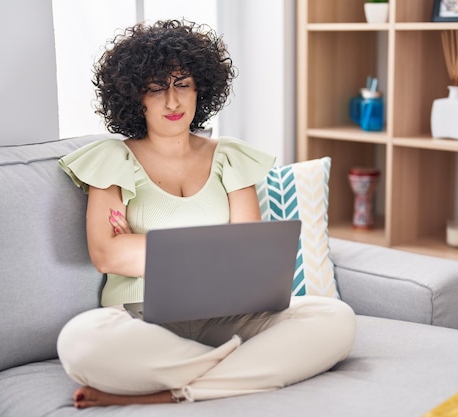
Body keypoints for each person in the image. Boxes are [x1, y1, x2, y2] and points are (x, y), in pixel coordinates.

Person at [56, 19, 356, 408]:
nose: (173, 101)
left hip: (227, 316)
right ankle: (242, 370)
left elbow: (248, 254)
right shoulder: (113, 159)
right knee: (80, 340)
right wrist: (212, 251)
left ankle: (174, 390)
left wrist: (142, 245)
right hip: (140, 318)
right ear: (135, 97)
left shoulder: (228, 156)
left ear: (201, 88)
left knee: (334, 319)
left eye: (182, 84)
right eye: (156, 88)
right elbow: (107, 254)